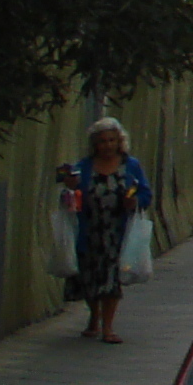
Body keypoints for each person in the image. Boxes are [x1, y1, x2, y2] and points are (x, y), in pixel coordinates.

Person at [57, 118, 152, 345]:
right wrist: (70, 186)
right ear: (94, 144)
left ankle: (107, 327)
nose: (107, 145)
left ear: (120, 142)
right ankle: (94, 317)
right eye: (102, 142)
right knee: (89, 276)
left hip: (117, 230)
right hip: (89, 230)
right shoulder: (85, 166)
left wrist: (135, 201)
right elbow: (67, 191)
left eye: (112, 140)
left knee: (111, 277)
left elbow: (146, 194)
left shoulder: (131, 166)